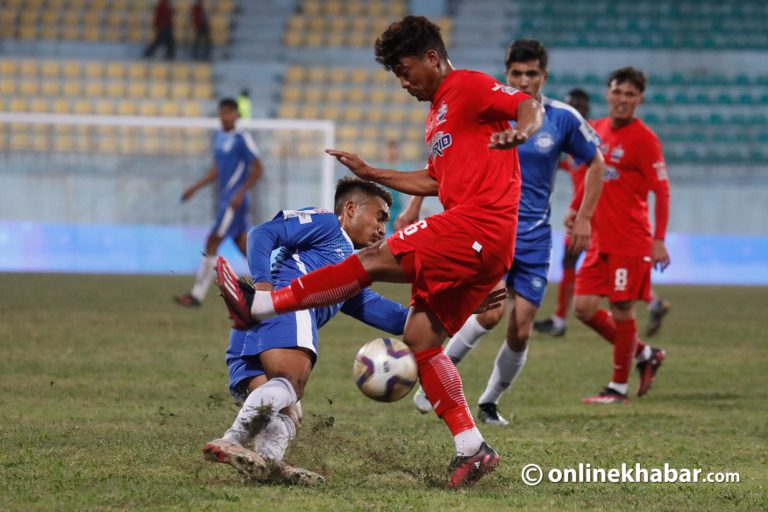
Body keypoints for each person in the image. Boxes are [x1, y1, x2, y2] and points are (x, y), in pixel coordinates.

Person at [215, 15, 544, 488]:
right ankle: (471, 447)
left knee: (368, 260)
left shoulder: (468, 87)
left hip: (478, 224)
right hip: (483, 242)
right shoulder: (437, 116)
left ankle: (263, 302)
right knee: (421, 340)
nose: (404, 82)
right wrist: (371, 171)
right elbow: (433, 181)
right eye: (397, 75)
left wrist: (522, 132)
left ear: (433, 58)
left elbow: (527, 107)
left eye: (407, 70)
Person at [406, 41, 605, 425]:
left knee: (521, 328)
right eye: (517, 73)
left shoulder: (561, 118)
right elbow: (441, 160)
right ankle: (434, 384)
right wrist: (414, 206)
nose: (524, 80)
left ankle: (490, 401)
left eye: (532, 74)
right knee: (490, 313)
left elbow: (594, 162)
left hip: (533, 236)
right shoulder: (486, 107)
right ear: (507, 74)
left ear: (544, 76)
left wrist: (584, 216)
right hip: (487, 228)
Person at [204, 178, 408, 485]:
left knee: (289, 413)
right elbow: (263, 233)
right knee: (290, 382)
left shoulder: (348, 271)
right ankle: (231, 439)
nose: (383, 229)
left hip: (254, 329)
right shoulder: (327, 224)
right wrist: (263, 286)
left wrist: (453, 311)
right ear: (350, 209)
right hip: (284, 307)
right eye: (379, 217)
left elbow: (392, 317)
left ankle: (267, 465)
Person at [533, 89, 671, 338]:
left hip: (601, 219)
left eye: (577, 105)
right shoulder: (574, 141)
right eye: (570, 104)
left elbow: (658, 188)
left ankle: (560, 320)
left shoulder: (593, 139)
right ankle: (651, 306)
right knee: (585, 274)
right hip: (586, 217)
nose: (574, 108)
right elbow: (570, 168)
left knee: (609, 285)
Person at [574, 67, 670, 404]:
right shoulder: (597, 129)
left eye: (630, 94)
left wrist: (659, 240)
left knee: (620, 307)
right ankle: (644, 354)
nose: (623, 100)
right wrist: (576, 210)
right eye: (618, 92)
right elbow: (590, 176)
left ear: (639, 99)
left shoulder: (645, 139)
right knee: (583, 308)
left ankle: (618, 388)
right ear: (608, 93)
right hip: (599, 237)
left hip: (630, 240)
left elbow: (663, 190)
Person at [174, 98, 263, 307]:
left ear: (237, 115)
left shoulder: (243, 138)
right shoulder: (217, 137)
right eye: (221, 112)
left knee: (212, 241)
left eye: (229, 112)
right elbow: (217, 170)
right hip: (226, 199)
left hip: (233, 201)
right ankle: (277, 282)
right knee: (243, 245)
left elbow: (258, 168)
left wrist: (241, 193)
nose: (224, 116)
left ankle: (196, 295)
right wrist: (194, 188)